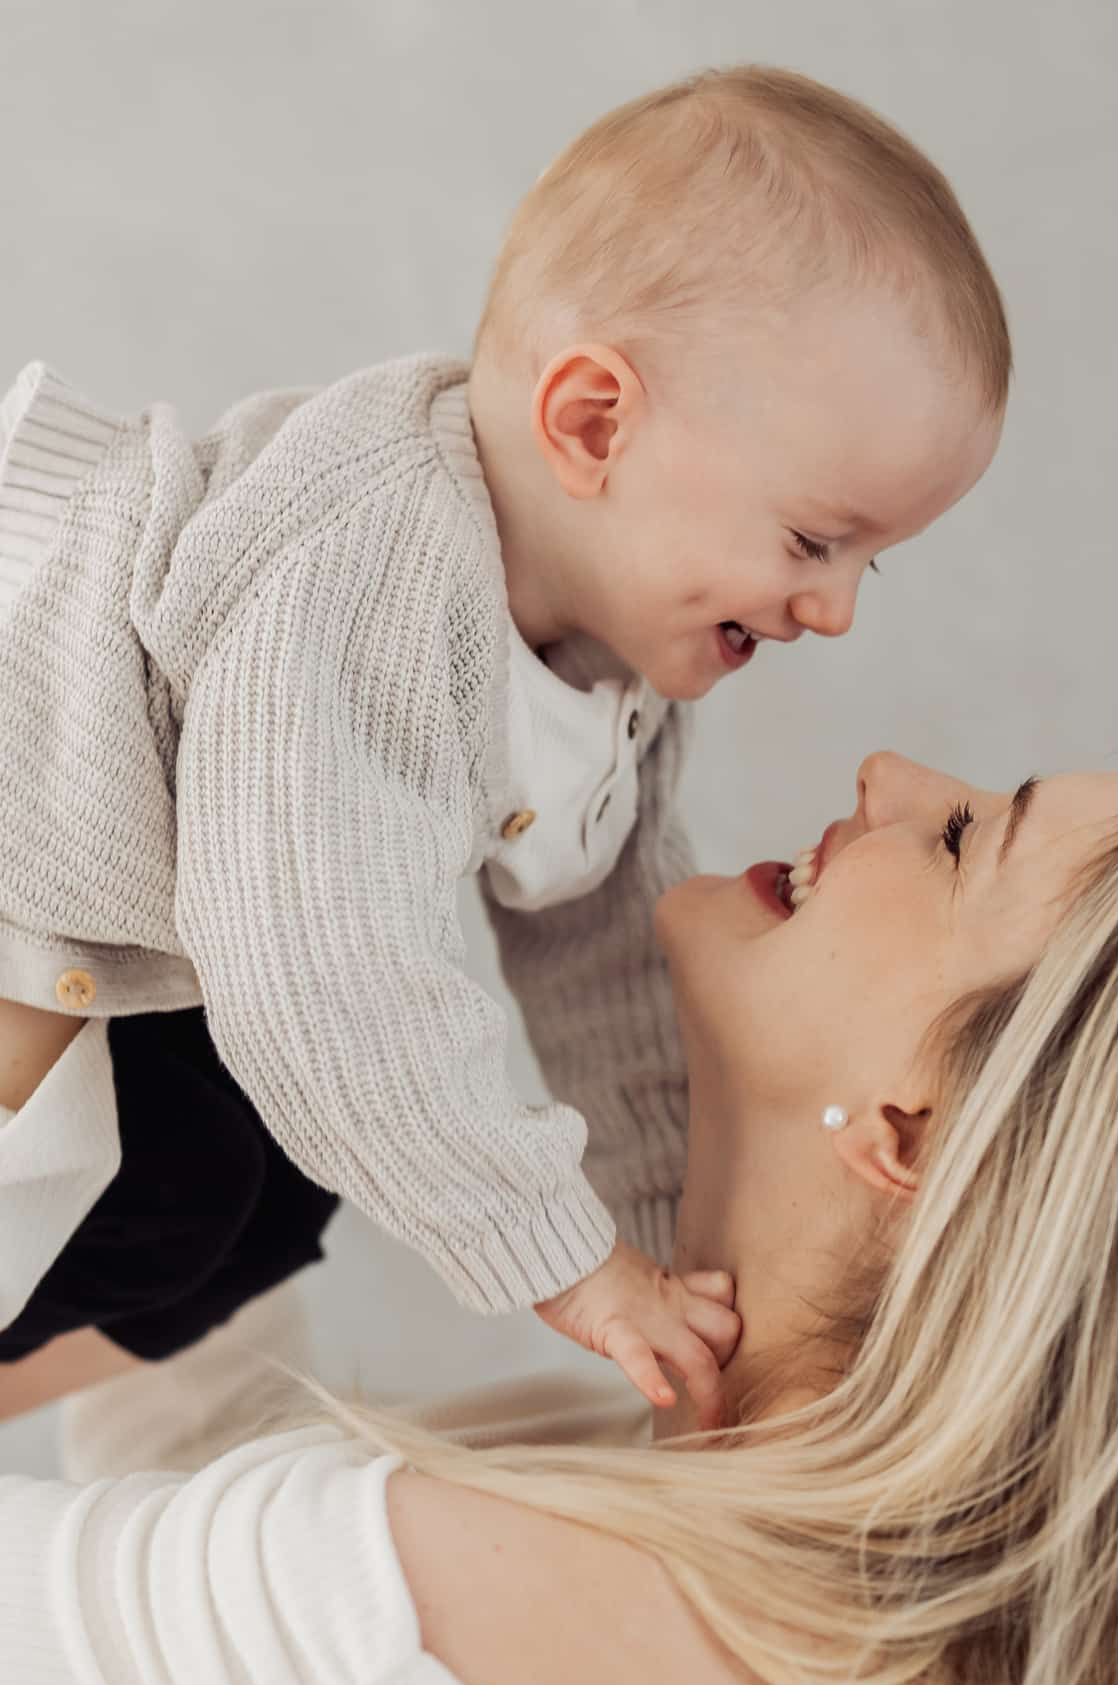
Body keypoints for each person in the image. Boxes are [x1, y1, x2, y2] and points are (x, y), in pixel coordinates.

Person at [2, 744, 1118, 1685]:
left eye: (964, 837)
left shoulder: (574, 1615)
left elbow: (277, 1630)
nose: (890, 776)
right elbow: (220, 1530)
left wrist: (54, 891)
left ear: (916, 1135)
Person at [0, 64, 1008, 1423]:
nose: (830, 610)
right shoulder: (375, 565)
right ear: (593, 424)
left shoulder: (616, 668)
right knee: (157, 1151)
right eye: (811, 541)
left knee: (258, 1200)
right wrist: (566, 1260)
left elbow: (614, 968)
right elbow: (318, 970)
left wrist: (679, 1251)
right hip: (28, 826)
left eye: (865, 564)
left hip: (116, 925)